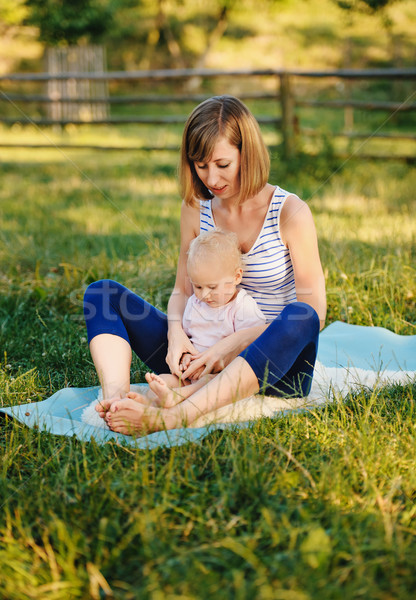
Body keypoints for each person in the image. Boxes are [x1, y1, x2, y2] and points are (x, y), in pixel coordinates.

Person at [83, 95, 326, 436]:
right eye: (201, 165)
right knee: (102, 294)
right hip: (199, 356)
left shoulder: (290, 212)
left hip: (273, 367)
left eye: (222, 164)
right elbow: (182, 289)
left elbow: (315, 311)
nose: (211, 178)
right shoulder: (196, 208)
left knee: (300, 317)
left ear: (248, 154)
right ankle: (117, 399)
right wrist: (177, 334)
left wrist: (232, 345)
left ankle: (173, 417)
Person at [101, 229, 267, 412]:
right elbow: (187, 338)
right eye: (198, 286)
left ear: (237, 277)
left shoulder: (242, 307)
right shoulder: (195, 304)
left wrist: (215, 364)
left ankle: (178, 398)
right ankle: (148, 404)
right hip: (190, 374)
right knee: (162, 381)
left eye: (212, 287)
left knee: (208, 381)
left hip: (222, 375)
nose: (204, 294)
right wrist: (186, 358)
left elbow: (254, 350)